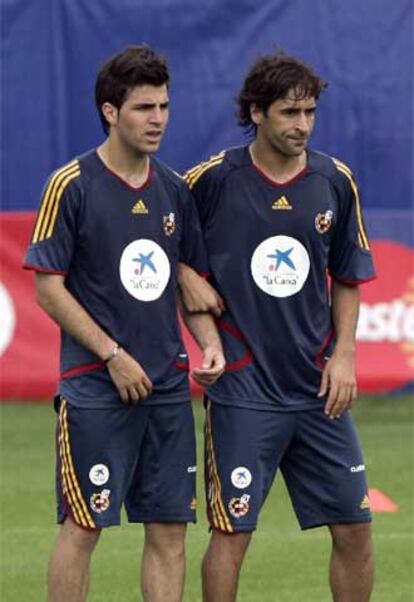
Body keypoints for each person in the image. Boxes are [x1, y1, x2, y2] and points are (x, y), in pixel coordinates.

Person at [24, 45, 225, 602]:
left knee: (169, 530)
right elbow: (47, 287)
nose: (158, 118)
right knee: (85, 526)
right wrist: (113, 354)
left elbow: (185, 281)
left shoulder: (173, 190)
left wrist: (208, 346)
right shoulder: (72, 185)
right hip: (95, 386)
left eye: (163, 105)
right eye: (143, 107)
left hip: (165, 388)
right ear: (110, 112)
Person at [179, 51, 376, 601]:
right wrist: (183, 278)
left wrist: (345, 356)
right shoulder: (212, 180)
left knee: (356, 529)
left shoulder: (334, 181)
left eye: (310, 112)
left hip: (318, 388)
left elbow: (348, 276)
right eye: (290, 112)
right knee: (232, 532)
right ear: (257, 112)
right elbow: (154, 239)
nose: (303, 125)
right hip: (245, 389)